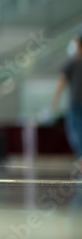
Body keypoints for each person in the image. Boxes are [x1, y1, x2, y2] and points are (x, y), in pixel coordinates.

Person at [51, 34, 82, 166]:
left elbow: (61, 83)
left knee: (76, 131)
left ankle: (81, 158)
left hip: (76, 103)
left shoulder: (72, 62)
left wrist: (54, 100)